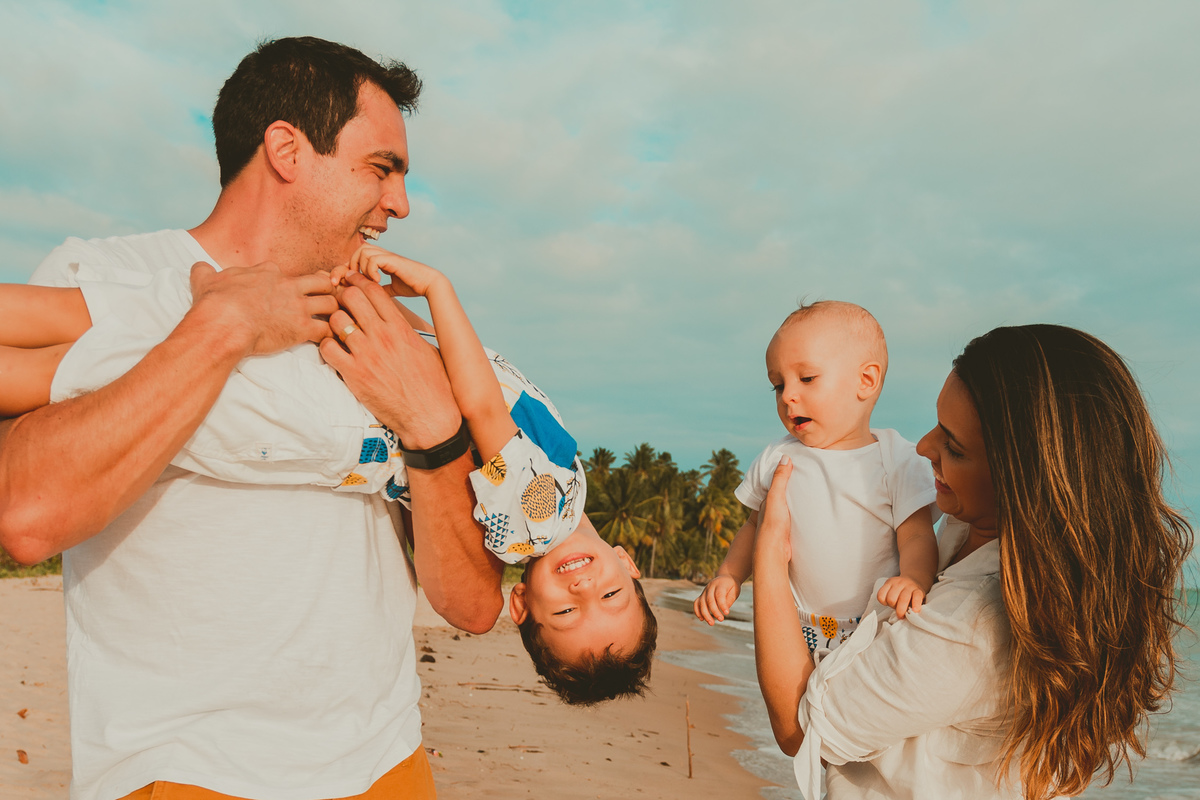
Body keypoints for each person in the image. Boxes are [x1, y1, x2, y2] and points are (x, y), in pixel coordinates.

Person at [0, 37, 502, 800]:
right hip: (181, 772)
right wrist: (224, 328)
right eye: (381, 168)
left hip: (388, 764)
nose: (399, 203)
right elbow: (27, 516)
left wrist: (433, 427)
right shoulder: (103, 276)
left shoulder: (386, 329)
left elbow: (471, 604)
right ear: (286, 149)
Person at [0, 245, 658, 706]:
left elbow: (481, 403)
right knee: (98, 336)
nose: (584, 588)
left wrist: (437, 288)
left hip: (327, 412)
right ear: (628, 565)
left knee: (86, 354)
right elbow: (461, 370)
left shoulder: (541, 515)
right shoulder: (562, 483)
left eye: (566, 613)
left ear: (522, 607)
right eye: (611, 597)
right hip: (330, 402)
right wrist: (383, 307)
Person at [752, 324, 1194, 800]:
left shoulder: (978, 622)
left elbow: (803, 729)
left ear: (1023, 481)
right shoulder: (964, 527)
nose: (923, 448)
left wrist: (770, 551)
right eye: (938, 425)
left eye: (954, 447)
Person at [694, 301, 939, 653]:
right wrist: (728, 575)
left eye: (806, 378)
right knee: (800, 704)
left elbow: (916, 534)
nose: (788, 396)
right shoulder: (778, 457)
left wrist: (915, 577)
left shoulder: (896, 458)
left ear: (865, 381)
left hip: (876, 627)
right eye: (778, 386)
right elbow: (753, 527)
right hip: (797, 626)